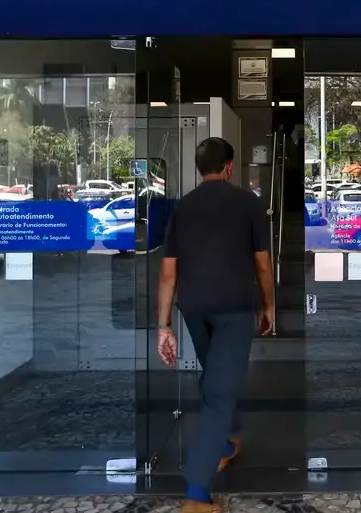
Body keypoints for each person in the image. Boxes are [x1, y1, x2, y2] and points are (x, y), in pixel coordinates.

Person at [156, 137, 276, 513]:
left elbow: (168, 273)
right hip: (235, 309)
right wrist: (269, 304)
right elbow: (262, 264)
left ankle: (222, 445)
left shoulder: (183, 207)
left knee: (214, 377)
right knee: (219, 393)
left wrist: (164, 326)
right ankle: (196, 496)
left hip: (194, 308)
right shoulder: (248, 203)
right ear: (228, 167)